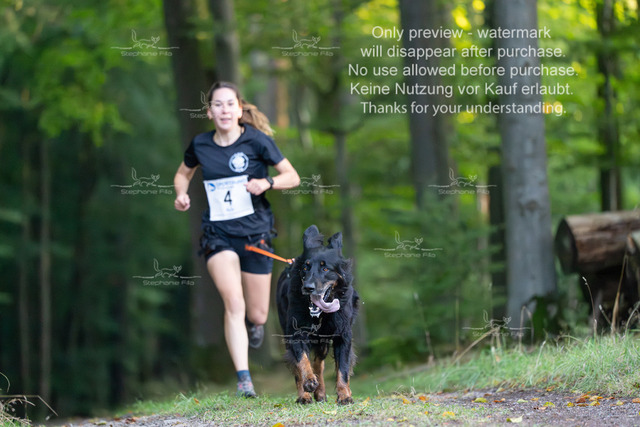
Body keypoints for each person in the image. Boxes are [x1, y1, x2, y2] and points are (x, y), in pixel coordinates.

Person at [173, 81, 300, 398]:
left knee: (257, 313)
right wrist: (181, 194)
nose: (225, 110)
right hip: (219, 235)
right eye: (218, 104)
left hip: (256, 235)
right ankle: (244, 379)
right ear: (209, 112)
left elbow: (293, 177)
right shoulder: (200, 145)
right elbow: (183, 174)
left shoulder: (257, 141)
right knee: (233, 302)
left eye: (230, 104)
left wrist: (267, 183)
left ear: (240, 109)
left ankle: (254, 325)